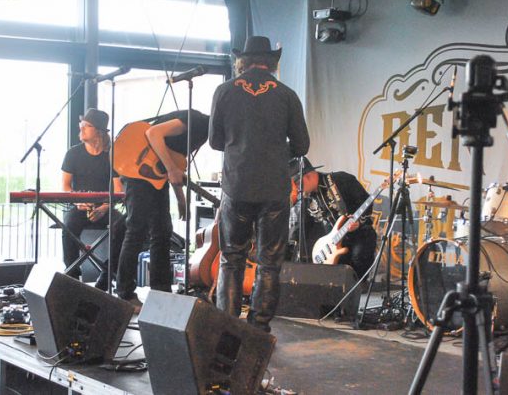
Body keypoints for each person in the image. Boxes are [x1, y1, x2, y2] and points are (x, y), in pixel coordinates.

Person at [209, 36, 310, 332]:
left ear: (242, 61)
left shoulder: (224, 91)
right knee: (269, 262)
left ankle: (227, 328)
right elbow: (302, 145)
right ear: (272, 63)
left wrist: (241, 146)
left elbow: (215, 141)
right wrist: (276, 152)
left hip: (237, 184)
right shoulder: (287, 95)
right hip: (273, 187)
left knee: (231, 258)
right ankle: (258, 329)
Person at [115, 109, 210, 311]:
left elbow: (173, 163)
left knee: (162, 231)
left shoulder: (203, 131)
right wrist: (172, 169)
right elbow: (153, 133)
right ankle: (124, 294)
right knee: (136, 230)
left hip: (154, 177)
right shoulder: (196, 120)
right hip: (139, 174)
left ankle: (161, 291)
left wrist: (181, 198)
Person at [61, 109, 125, 290]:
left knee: (124, 226)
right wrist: (78, 202)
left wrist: (104, 207)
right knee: (68, 226)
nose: (81, 129)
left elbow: (118, 189)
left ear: (99, 131)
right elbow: (65, 186)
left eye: (86, 126)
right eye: (80, 125)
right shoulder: (73, 154)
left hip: (105, 206)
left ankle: (107, 274)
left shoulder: (112, 155)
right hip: (80, 206)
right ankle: (72, 275)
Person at [290, 157, 377, 279]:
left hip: (360, 235)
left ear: (306, 177)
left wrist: (358, 222)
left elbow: (367, 202)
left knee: (359, 256)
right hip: (333, 244)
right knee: (335, 276)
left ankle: (359, 284)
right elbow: (302, 228)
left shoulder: (341, 179)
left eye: (297, 185)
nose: (297, 190)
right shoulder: (306, 198)